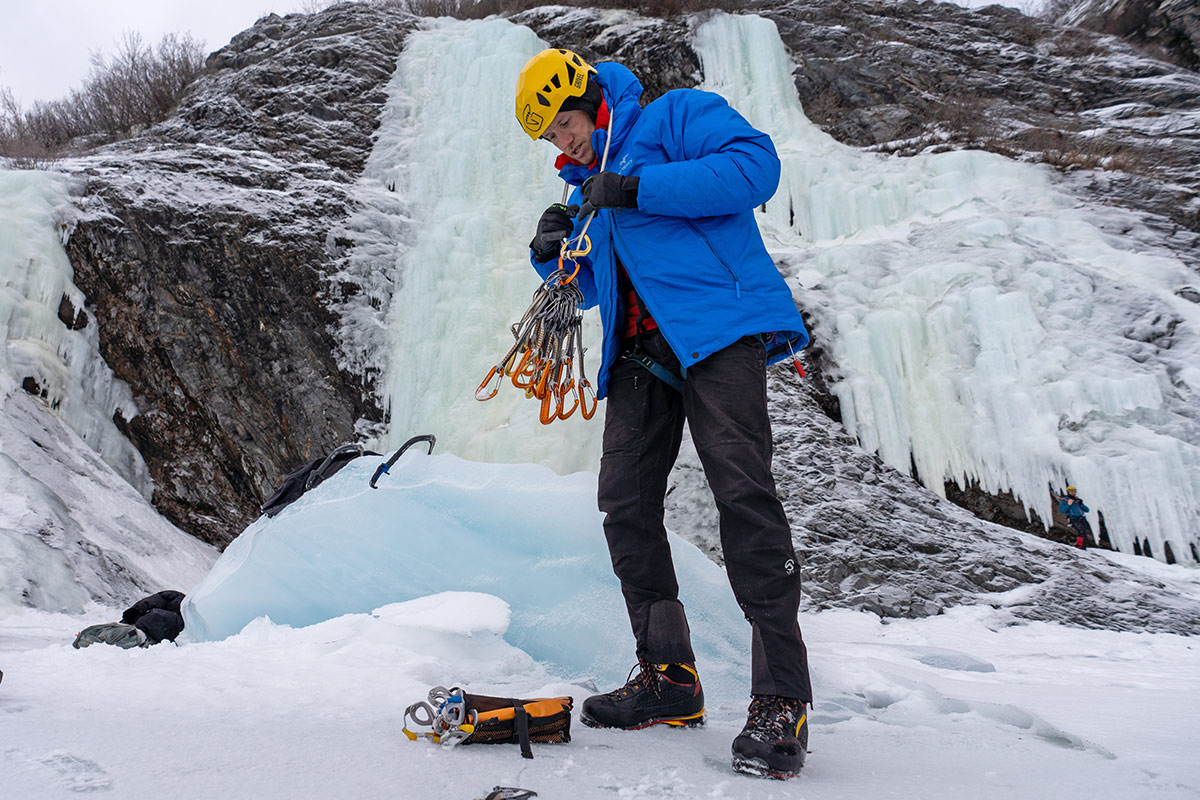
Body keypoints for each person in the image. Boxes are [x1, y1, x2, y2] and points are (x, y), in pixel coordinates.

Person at [515, 48, 812, 778]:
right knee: (623, 504)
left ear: (589, 99)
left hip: (719, 332)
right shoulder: (591, 189)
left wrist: (635, 187)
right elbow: (585, 287)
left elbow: (755, 168)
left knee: (742, 494)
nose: (563, 143)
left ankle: (782, 701)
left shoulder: (676, 117)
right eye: (551, 138)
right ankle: (669, 678)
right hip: (641, 353)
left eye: (564, 125)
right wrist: (551, 251)